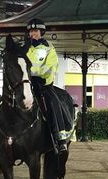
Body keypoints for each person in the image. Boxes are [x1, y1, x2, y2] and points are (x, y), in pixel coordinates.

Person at [25, 18, 67, 152]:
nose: (33, 33)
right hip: (26, 83)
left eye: (35, 31)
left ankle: (60, 138)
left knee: (53, 104)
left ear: (41, 32)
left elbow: (51, 66)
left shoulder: (49, 48)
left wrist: (43, 79)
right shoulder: (24, 47)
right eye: (31, 31)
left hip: (43, 84)